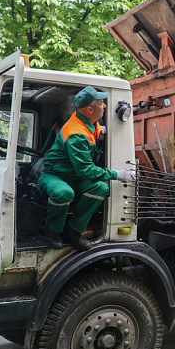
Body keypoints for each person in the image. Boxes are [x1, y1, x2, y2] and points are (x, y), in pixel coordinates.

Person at [38, 86, 135, 251]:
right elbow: (86, 170)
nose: (104, 106)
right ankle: (54, 230)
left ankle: (74, 231)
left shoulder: (87, 121)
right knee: (64, 193)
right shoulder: (76, 134)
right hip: (55, 176)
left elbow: (94, 132)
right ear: (90, 110)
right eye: (101, 103)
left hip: (75, 176)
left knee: (100, 187)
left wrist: (104, 130)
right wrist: (117, 174)